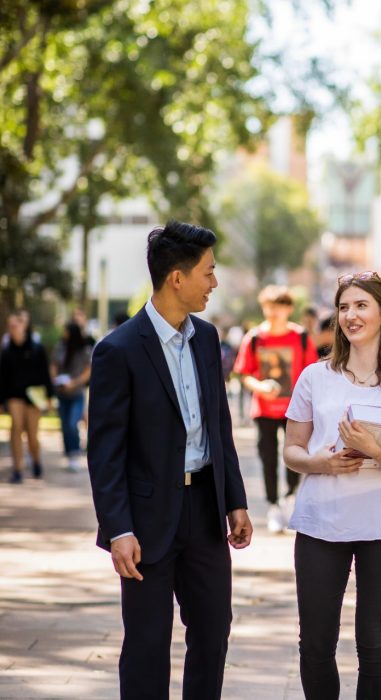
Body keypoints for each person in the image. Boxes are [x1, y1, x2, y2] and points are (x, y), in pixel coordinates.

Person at [87, 220, 252, 700]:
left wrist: (235, 501)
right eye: (208, 272)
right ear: (176, 278)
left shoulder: (206, 338)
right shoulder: (117, 351)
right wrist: (118, 529)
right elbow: (106, 452)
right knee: (146, 643)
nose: (214, 282)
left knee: (213, 631)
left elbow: (219, 426)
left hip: (204, 511)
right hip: (145, 520)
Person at [283, 271, 381, 700]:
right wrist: (323, 462)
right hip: (320, 522)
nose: (351, 315)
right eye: (344, 307)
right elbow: (291, 450)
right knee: (314, 645)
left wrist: (374, 449)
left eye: (361, 305)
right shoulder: (315, 376)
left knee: (373, 643)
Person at [234, 286, 318, 533]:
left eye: (280, 306)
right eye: (270, 306)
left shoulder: (300, 337)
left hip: (295, 410)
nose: (274, 312)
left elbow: (312, 373)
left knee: (296, 454)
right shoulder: (254, 338)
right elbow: (243, 374)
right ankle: (273, 506)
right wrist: (259, 386)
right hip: (264, 410)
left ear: (289, 309)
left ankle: (291, 498)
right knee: (268, 459)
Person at [0, 311, 53, 482]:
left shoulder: (36, 349)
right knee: (16, 429)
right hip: (14, 396)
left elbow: (45, 374)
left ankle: (36, 460)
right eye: (11, 326)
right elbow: (2, 377)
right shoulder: (7, 351)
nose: (14, 328)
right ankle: (17, 469)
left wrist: (49, 396)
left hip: (34, 397)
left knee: (32, 434)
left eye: (17, 324)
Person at [51, 321, 92, 472]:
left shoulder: (83, 350)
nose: (64, 334)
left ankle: (74, 452)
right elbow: (54, 365)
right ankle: (68, 453)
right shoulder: (60, 347)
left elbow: (88, 370)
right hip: (62, 393)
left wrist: (75, 382)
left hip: (76, 393)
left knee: (72, 423)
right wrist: (56, 378)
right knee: (64, 425)